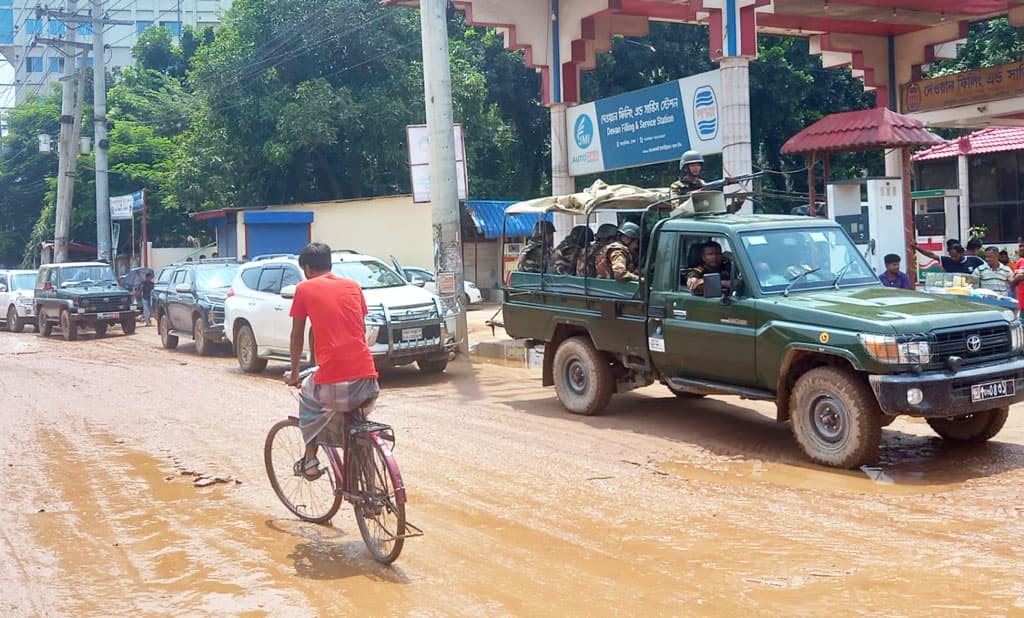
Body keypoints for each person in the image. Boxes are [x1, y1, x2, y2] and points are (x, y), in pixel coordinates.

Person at [284, 242, 380, 480]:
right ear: (329, 263)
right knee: (355, 416)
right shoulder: (353, 286)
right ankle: (364, 480)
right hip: (368, 382)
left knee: (307, 394)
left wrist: (294, 374)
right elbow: (352, 325)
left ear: (307, 268)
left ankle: (310, 462)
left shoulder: (305, 288)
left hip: (336, 384)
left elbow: (297, 336)